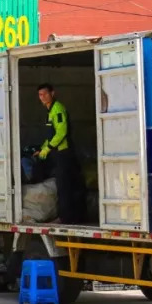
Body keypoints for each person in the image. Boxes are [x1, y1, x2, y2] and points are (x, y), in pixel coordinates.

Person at [36, 83, 87, 224]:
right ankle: (70, 216)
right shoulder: (49, 111)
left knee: (65, 187)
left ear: (52, 93)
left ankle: (66, 218)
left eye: (45, 94)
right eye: (40, 95)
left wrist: (48, 148)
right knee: (64, 186)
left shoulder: (57, 109)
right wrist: (43, 148)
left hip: (64, 154)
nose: (43, 97)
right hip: (58, 153)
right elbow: (51, 135)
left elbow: (61, 132)